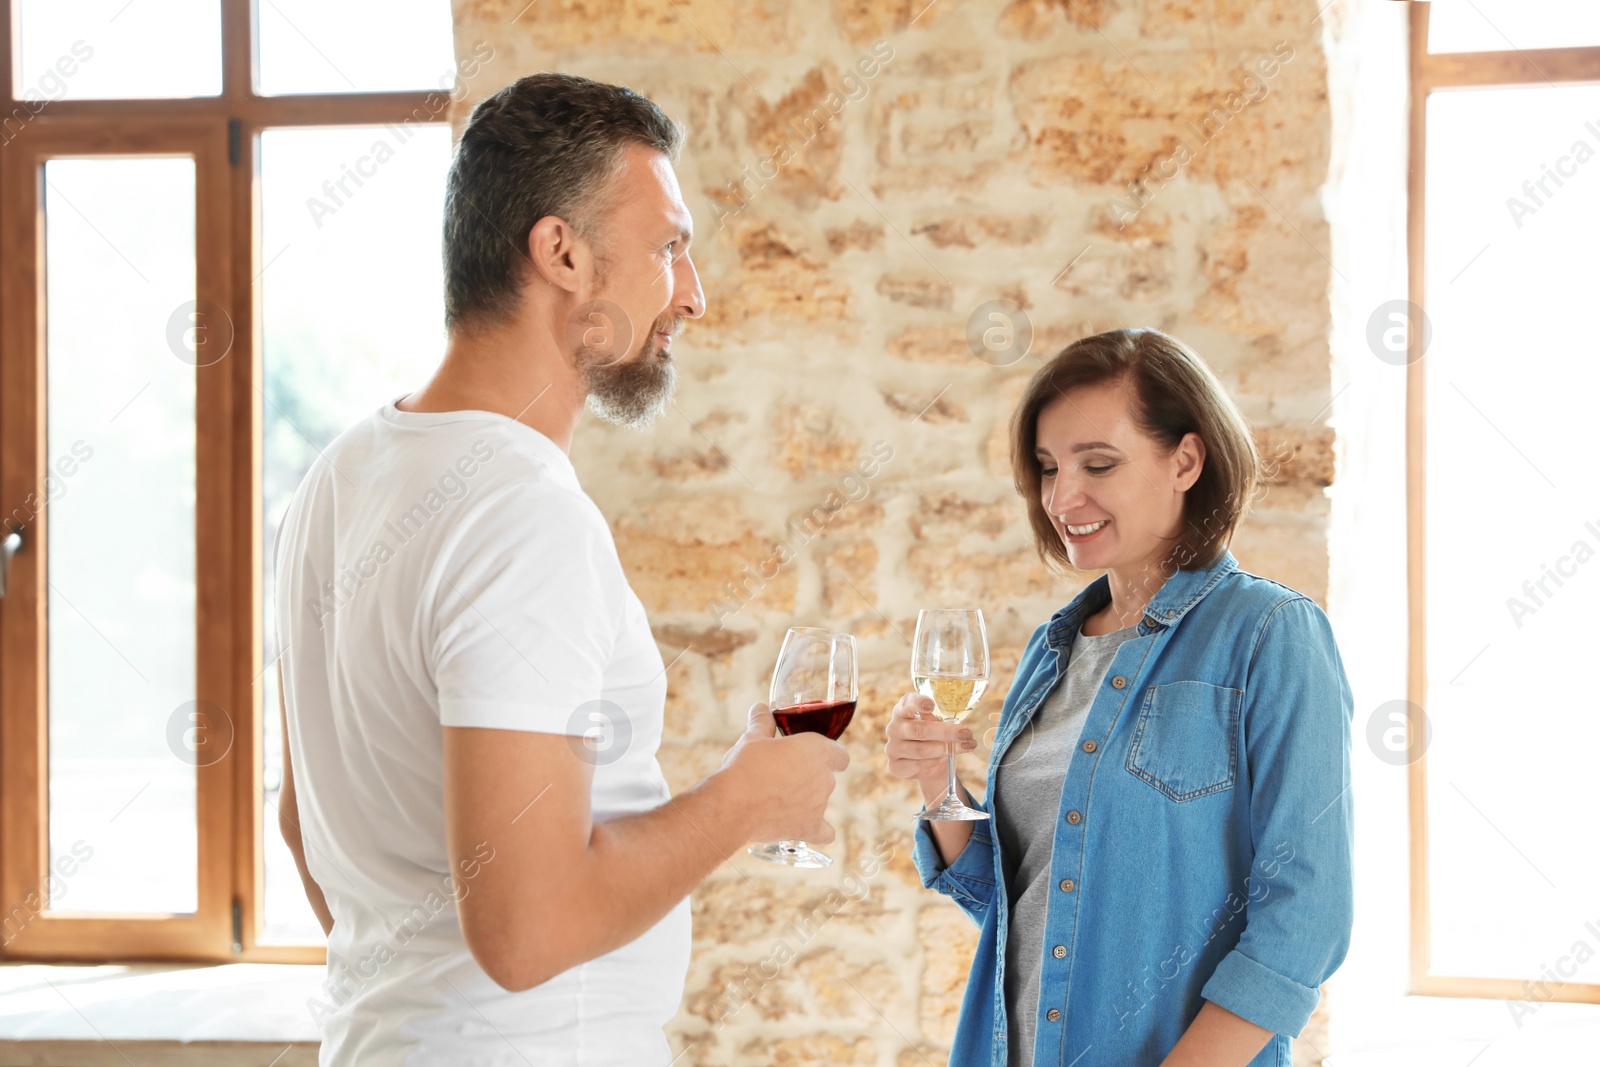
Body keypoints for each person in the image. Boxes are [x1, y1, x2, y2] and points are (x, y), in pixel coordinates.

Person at [273, 72, 849, 1066]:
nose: (693, 292)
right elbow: (526, 930)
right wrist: (750, 798)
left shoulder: (342, 474)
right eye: (668, 246)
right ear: (563, 252)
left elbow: (305, 825)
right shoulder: (519, 513)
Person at [884, 328, 1354, 1067]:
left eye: (1098, 463)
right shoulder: (1052, 650)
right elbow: (1013, 908)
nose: (1063, 496)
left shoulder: (1270, 634)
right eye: (1047, 467)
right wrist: (937, 782)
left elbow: (1307, 917)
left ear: (1186, 460)